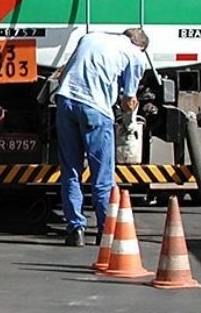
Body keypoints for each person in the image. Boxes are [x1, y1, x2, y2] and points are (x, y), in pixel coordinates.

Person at [53, 28, 148, 247]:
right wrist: (129, 115)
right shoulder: (136, 56)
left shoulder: (90, 37)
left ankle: (75, 229)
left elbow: (67, 70)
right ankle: (105, 229)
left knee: (71, 169)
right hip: (96, 110)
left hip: (66, 102)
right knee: (102, 173)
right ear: (141, 46)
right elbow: (128, 99)